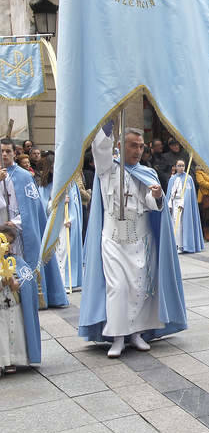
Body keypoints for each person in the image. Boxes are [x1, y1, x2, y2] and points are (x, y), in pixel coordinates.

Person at [81, 123, 187, 358]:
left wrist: (158, 195)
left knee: (140, 289)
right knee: (117, 288)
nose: (137, 150)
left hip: (141, 240)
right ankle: (117, 337)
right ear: (120, 145)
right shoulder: (108, 169)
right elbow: (100, 147)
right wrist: (108, 119)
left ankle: (137, 333)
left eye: (141, 146)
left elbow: (151, 204)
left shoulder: (147, 173)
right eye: (132, 145)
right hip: (114, 239)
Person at [0, 139, 67, 309]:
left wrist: (14, 223)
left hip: (20, 231)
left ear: (14, 153)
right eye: (2, 151)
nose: (4, 154)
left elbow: (32, 209)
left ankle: (30, 296)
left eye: (8, 151)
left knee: (22, 265)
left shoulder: (24, 176)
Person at [36, 153, 84, 289]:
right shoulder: (45, 186)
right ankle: (57, 282)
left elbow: (75, 205)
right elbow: (44, 206)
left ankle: (68, 280)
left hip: (67, 222)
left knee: (66, 251)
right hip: (53, 223)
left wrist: (71, 219)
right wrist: (56, 202)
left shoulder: (70, 184)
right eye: (52, 168)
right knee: (55, 253)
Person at [0, 225, 40, 376]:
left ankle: (12, 360)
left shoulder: (16, 261)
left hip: (13, 304)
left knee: (13, 334)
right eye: (4, 242)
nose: (7, 246)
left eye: (10, 243)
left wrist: (16, 284)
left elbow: (26, 280)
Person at [166, 159, 204, 254]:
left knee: (181, 224)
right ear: (175, 167)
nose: (181, 167)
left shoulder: (188, 178)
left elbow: (188, 193)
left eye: (183, 165)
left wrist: (182, 203)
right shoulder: (172, 179)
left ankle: (182, 245)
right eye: (179, 165)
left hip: (183, 205)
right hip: (174, 204)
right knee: (174, 224)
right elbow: (170, 193)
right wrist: (169, 203)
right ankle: (174, 244)